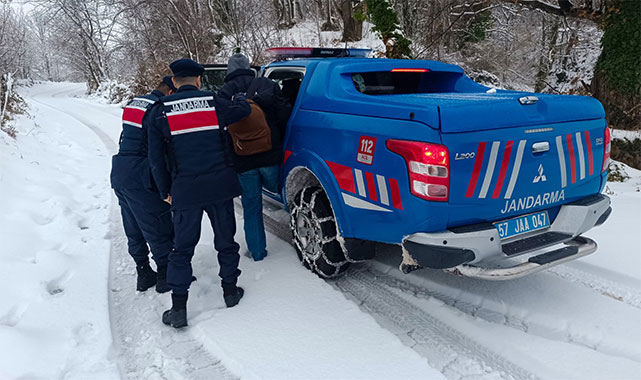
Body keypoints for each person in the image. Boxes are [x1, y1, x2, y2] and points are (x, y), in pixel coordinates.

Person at [147, 58, 247, 328]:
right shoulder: (214, 102)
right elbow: (242, 112)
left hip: (185, 190)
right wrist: (240, 98)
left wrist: (164, 190)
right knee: (226, 241)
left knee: (182, 249)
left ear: (174, 82)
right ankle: (230, 291)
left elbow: (155, 159)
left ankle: (179, 308)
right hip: (220, 187)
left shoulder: (160, 111)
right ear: (199, 80)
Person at [218, 53, 292, 261]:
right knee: (286, 196)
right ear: (249, 67)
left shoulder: (224, 93)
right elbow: (284, 114)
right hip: (270, 155)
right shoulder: (267, 84)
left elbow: (221, 127)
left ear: (229, 71)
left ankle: (258, 252)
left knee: (251, 207)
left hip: (243, 159)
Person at [110, 76, 177, 293]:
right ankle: (166, 277)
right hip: (142, 175)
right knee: (157, 224)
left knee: (133, 226)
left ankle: (143, 272)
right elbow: (161, 145)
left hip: (121, 172)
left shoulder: (135, 103)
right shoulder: (159, 109)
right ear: (170, 92)